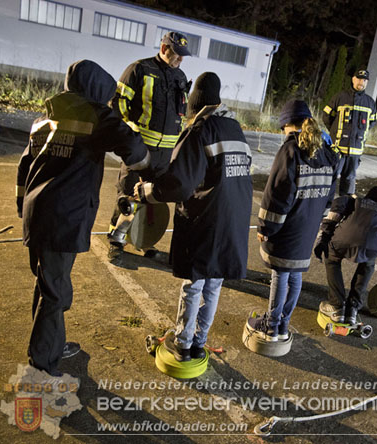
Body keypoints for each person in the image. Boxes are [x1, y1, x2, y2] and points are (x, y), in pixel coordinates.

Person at [16, 60, 151, 376]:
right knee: (54, 293)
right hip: (63, 220)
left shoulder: (45, 119)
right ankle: (42, 368)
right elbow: (133, 147)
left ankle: (49, 345)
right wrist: (146, 165)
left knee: (49, 285)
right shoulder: (96, 116)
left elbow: (24, 170)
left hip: (37, 216)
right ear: (95, 92)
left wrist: (23, 207)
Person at [134, 73, 253, 361]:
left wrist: (148, 192)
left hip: (206, 220)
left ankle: (183, 343)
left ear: (194, 102)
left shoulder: (201, 130)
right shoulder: (235, 129)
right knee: (214, 284)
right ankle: (199, 341)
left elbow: (181, 184)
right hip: (234, 220)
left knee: (194, 284)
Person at [248, 100, 338, 342]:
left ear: (287, 124)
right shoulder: (326, 152)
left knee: (280, 274)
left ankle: (271, 326)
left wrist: (266, 227)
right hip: (308, 227)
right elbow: (329, 195)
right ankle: (283, 324)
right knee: (295, 274)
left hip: (288, 226)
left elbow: (277, 193)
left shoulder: (290, 151)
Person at [108, 31, 191, 258]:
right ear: (164, 49)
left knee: (154, 197)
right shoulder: (139, 69)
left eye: (183, 56)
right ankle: (117, 238)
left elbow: (181, 113)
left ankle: (145, 240)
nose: (180, 59)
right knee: (128, 193)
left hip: (166, 154)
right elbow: (118, 104)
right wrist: (130, 135)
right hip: (140, 149)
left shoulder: (180, 77)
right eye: (177, 54)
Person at [315, 186, 377, 325]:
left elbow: (336, 208)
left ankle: (337, 306)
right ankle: (353, 308)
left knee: (332, 260)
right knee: (367, 265)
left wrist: (324, 238)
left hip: (343, 240)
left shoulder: (356, 201)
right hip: (370, 249)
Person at [323, 69, 377, 196]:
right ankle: (324, 205)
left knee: (349, 180)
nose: (361, 82)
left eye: (364, 80)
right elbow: (326, 116)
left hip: (355, 151)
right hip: (338, 149)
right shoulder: (340, 97)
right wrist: (334, 131)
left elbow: (372, 122)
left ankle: (343, 208)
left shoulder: (370, 103)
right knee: (331, 177)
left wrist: (359, 134)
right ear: (353, 79)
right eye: (359, 79)